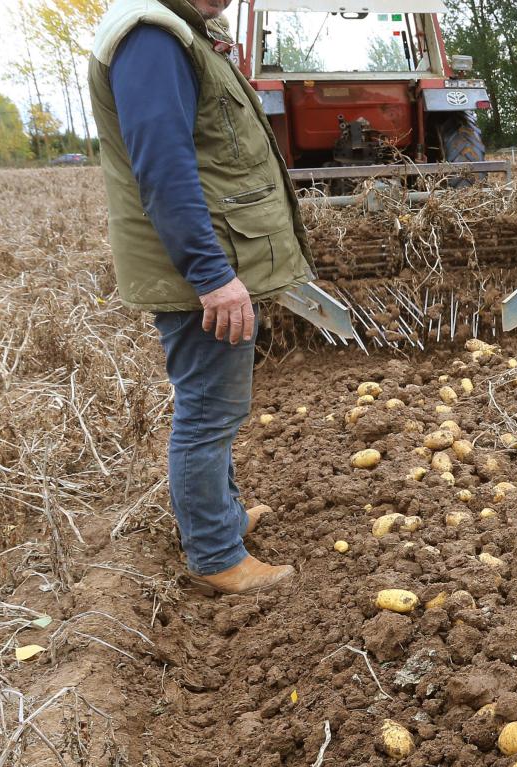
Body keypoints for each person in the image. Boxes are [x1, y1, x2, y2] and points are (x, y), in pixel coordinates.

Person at [89, 0, 313, 595]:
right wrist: (211, 274)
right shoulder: (153, 39)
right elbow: (164, 167)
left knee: (217, 405)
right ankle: (215, 554)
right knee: (207, 412)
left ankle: (224, 517)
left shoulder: (180, 31)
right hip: (199, 269)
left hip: (207, 257)